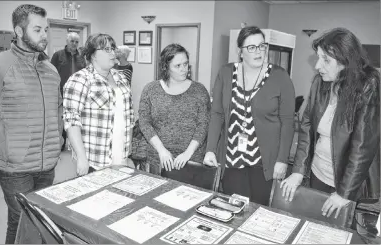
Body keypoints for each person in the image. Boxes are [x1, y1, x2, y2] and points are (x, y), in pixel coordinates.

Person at [0, 4, 63, 243]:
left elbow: (57, 108)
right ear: (18, 30)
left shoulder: (51, 69)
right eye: (38, 29)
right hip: (14, 166)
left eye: (46, 29)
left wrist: (59, 140)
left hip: (47, 162)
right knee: (23, 218)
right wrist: (5, 151)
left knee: (37, 218)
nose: (44, 35)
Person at [281, 28, 380, 218]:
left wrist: (345, 192)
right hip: (318, 172)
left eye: (326, 60)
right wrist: (298, 171)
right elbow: (307, 127)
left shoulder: (368, 86)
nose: (318, 65)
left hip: (345, 178)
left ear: (345, 61)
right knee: (314, 222)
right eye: (318, 57)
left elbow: (363, 146)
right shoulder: (320, 82)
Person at [203, 26, 295, 206]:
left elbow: (288, 122)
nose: (258, 51)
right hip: (232, 158)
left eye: (262, 46)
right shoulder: (226, 73)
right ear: (240, 52)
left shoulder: (280, 77)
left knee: (259, 209)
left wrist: (282, 160)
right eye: (251, 47)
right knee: (235, 206)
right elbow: (217, 114)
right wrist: (210, 149)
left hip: (265, 161)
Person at [63, 33, 134, 176]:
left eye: (113, 48)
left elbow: (129, 117)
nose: (113, 53)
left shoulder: (121, 79)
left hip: (121, 156)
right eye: (107, 49)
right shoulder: (80, 79)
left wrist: (127, 151)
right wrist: (82, 158)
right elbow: (71, 121)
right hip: (94, 159)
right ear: (93, 54)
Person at [138, 43, 211, 179]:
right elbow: (144, 123)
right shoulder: (150, 90)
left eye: (186, 64)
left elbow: (203, 125)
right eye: (178, 66)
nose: (184, 69)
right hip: (158, 160)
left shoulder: (199, 91)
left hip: (191, 160)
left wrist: (188, 154)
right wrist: (161, 150)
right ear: (166, 68)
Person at [51, 32, 86, 151]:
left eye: (76, 42)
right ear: (67, 42)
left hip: (77, 93)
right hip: (61, 92)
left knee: (75, 117)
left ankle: (74, 143)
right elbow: (51, 73)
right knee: (60, 118)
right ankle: (60, 143)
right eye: (72, 41)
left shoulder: (81, 57)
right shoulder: (57, 55)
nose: (74, 44)